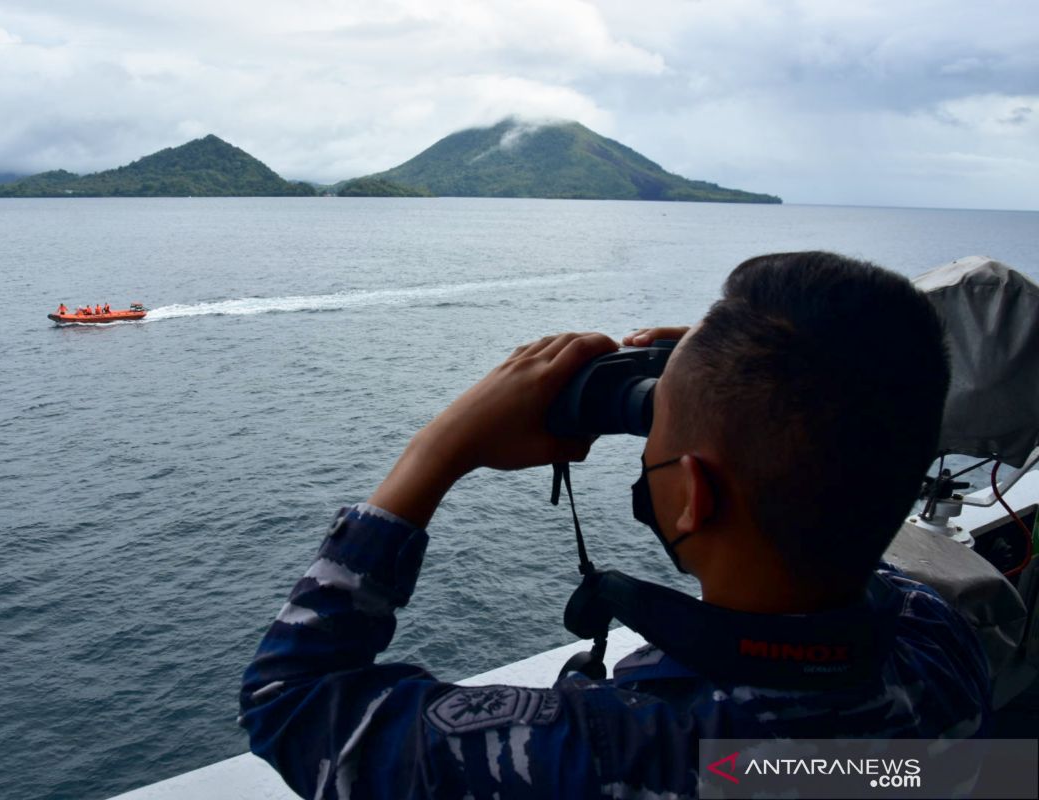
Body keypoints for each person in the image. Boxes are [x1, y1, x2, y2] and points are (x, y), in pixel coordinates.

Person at [240, 252, 991, 798]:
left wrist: (440, 449)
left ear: (692, 496)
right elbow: (851, 492)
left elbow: (294, 703)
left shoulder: (612, 752)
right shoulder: (941, 648)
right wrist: (721, 397)